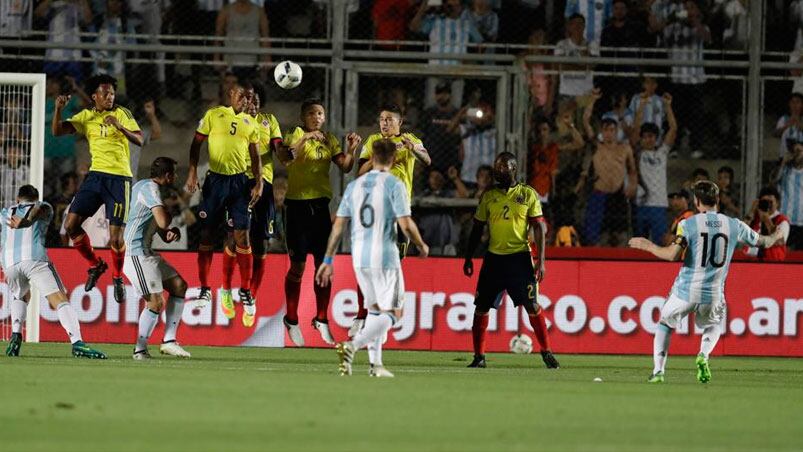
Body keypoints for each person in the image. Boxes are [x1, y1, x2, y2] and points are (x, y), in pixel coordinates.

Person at [629, 181, 785, 384]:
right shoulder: (734, 225)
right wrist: (777, 234)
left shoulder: (688, 224)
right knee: (713, 326)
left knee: (665, 324)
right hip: (713, 293)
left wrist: (648, 245)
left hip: (686, 290)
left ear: (696, 201)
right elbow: (763, 242)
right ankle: (703, 354)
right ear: (718, 200)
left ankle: (658, 372)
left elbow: (672, 255)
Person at [316, 138, 430, 378]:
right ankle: (352, 346)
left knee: (375, 312)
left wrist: (327, 260)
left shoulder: (354, 187)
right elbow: (405, 223)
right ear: (393, 158)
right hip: (386, 256)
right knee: (394, 313)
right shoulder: (394, 184)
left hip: (360, 258)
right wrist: (421, 244)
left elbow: (338, 226)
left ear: (373, 157)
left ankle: (375, 364)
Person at [51, 74, 144, 303]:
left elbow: (140, 139)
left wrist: (120, 127)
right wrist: (58, 110)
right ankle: (95, 264)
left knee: (115, 238)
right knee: (71, 225)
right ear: (95, 96)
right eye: (105, 93)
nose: (110, 97)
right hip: (95, 177)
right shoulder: (86, 116)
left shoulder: (122, 113)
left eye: (112, 93)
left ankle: (117, 277)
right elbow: (57, 131)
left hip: (119, 179)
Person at [462, 152, 559, 369]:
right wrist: (469, 257)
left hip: (520, 259)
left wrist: (540, 260)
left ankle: (547, 351)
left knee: (532, 306)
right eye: (497, 167)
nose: (499, 171)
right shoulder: (488, 196)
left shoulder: (528, 194)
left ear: (514, 168)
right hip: (494, 260)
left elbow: (538, 227)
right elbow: (477, 228)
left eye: (504, 167)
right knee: (481, 307)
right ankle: (479, 357)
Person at [277, 99, 362, 346]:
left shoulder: (330, 140)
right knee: (298, 267)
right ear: (304, 117)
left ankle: (321, 319)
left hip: (320, 208)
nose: (317, 117)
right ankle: (291, 319)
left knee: (323, 266)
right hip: (296, 207)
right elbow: (288, 157)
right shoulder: (295, 133)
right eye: (312, 113)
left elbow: (345, 167)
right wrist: (307, 137)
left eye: (320, 113)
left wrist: (352, 149)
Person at [350, 103, 430, 337]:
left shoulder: (410, 139)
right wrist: (380, 156)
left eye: (389, 119)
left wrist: (411, 148)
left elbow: (427, 160)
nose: (384, 123)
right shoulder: (373, 140)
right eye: (382, 119)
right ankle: (361, 315)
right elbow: (360, 171)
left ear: (399, 122)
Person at [184, 80, 262, 312]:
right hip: (215, 181)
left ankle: (245, 290)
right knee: (207, 234)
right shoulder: (214, 115)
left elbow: (255, 156)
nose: (244, 100)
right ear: (231, 94)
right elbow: (196, 144)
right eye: (241, 95)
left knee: (243, 237)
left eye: (248, 97)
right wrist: (191, 172)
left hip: (239, 183)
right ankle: (205, 288)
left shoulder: (250, 123)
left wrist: (258, 183)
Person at [2, 185, 106, 359]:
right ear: (36, 198)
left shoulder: (5, 212)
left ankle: (15, 335)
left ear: (18, 199)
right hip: (34, 258)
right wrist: (27, 220)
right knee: (59, 299)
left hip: (9, 263)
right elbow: (38, 208)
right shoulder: (43, 206)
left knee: (21, 296)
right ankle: (77, 343)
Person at [219, 84, 282, 327]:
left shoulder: (269, 121)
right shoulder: (233, 120)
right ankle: (226, 288)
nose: (251, 104)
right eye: (247, 99)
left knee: (261, 244)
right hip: (237, 183)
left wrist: (283, 151)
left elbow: (276, 145)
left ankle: (249, 296)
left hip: (263, 185)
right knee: (234, 238)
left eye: (255, 100)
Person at [124, 157, 191, 359]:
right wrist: (168, 218)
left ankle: (169, 341)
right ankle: (140, 349)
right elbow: (162, 220)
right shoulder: (150, 188)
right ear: (168, 175)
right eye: (174, 174)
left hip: (147, 252)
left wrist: (169, 233)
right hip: (135, 253)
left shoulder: (147, 188)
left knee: (179, 285)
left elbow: (159, 226)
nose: (176, 177)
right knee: (155, 302)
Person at [409, 0, 483, 108]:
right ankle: (431, 124)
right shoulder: (434, 20)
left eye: (455, 5)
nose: (452, 8)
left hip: (457, 72)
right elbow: (414, 27)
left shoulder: (466, 24)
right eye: (449, 5)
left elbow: (480, 42)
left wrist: (470, 60)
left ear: (461, 7)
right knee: (431, 105)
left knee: (455, 106)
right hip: (436, 70)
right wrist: (422, 9)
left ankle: (453, 123)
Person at [632, 92, 677, 244]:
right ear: (641, 138)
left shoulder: (662, 152)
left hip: (659, 205)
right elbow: (635, 129)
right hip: (641, 203)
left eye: (652, 136)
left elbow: (673, 129)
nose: (649, 139)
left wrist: (668, 107)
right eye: (645, 136)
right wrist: (642, 106)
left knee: (661, 243)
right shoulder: (638, 152)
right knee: (639, 243)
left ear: (656, 137)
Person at [744, 187, 790, 262]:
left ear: (777, 203)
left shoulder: (782, 220)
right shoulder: (754, 217)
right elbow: (741, 231)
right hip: (751, 260)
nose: (768, 205)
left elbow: (780, 241)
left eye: (771, 202)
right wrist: (751, 211)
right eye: (765, 202)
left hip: (772, 262)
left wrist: (766, 219)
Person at [772, 141, 803, 250]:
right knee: (783, 249)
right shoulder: (785, 170)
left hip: (801, 219)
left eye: (799, 151)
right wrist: (783, 162)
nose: (796, 154)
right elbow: (773, 180)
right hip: (787, 218)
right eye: (794, 151)